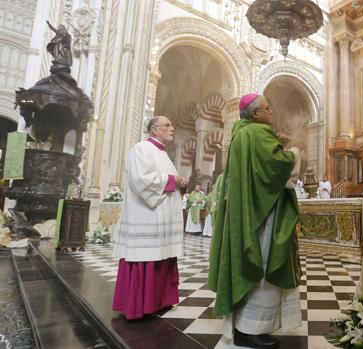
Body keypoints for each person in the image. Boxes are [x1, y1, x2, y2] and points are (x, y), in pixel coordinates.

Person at [209, 94, 302, 349]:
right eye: (266, 108)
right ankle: (251, 329)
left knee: (251, 265)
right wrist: (293, 151)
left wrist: (277, 145)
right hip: (263, 216)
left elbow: (261, 167)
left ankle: (248, 327)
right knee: (262, 264)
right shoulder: (259, 133)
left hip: (248, 213)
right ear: (254, 114)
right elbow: (277, 167)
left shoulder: (241, 133)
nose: (271, 111)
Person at [112, 116, 187, 320]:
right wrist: (173, 180)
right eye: (168, 125)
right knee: (147, 258)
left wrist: (179, 182)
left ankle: (160, 301)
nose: (172, 128)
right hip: (147, 216)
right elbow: (141, 180)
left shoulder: (163, 154)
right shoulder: (141, 149)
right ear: (155, 130)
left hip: (161, 219)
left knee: (162, 258)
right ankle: (141, 305)